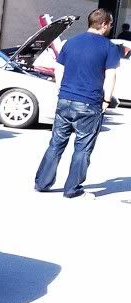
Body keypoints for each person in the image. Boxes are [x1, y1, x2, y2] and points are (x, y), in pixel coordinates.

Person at [34, 9, 121, 199]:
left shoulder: (71, 42)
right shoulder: (109, 47)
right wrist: (107, 100)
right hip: (89, 102)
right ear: (104, 24)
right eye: (110, 24)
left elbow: (58, 68)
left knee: (56, 144)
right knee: (82, 148)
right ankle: (72, 189)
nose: (110, 27)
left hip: (65, 100)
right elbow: (110, 76)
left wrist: (62, 90)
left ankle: (42, 183)